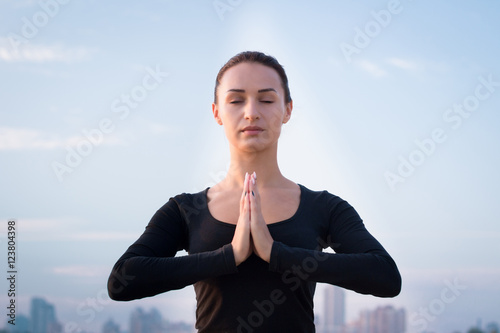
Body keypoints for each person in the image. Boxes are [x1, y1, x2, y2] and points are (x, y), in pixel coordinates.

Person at [107, 51, 401, 332]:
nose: (251, 113)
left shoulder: (325, 208)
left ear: (287, 110)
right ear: (217, 112)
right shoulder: (185, 210)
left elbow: (385, 276)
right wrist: (229, 256)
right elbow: (122, 281)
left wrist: (275, 253)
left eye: (266, 100)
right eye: (236, 100)